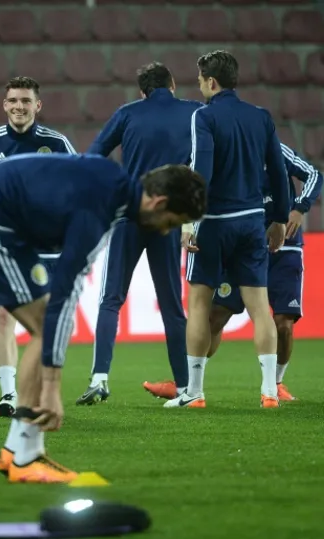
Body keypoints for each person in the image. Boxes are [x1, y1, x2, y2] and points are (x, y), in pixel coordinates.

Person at [0, 153, 207, 482]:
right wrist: (52, 388)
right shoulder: (97, 215)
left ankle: (18, 451)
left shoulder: (112, 185)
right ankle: (25, 456)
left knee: (49, 327)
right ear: (159, 202)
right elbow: (64, 296)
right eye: (171, 222)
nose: (165, 231)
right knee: (47, 326)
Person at [167, 50, 290, 409]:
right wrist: (280, 218)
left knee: (199, 305)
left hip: (214, 223)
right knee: (260, 308)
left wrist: (188, 221)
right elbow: (278, 171)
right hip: (252, 222)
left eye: (200, 81)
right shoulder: (261, 117)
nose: (199, 87)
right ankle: (269, 392)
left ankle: (194, 393)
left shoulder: (203, 116)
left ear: (211, 81)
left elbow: (201, 172)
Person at [76, 62, 204, 405]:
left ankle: (99, 378)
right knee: (172, 306)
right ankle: (184, 387)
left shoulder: (128, 113)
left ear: (142, 91)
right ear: (172, 84)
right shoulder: (195, 112)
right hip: (169, 220)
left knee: (111, 299)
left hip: (129, 215)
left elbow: (93, 156)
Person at [0, 76, 77, 418]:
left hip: (50, 250)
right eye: (14, 101)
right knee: (4, 316)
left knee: (48, 326)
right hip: (7, 249)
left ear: (38, 105)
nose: (19, 106)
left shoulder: (57, 143)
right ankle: (8, 393)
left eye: (26, 101)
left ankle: (44, 391)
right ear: (5, 105)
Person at [206, 144, 321, 401]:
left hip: (285, 248)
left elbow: (314, 175)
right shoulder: (229, 151)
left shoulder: (276, 149)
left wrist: (299, 208)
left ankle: (277, 382)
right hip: (244, 247)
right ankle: (187, 382)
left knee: (284, 323)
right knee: (215, 316)